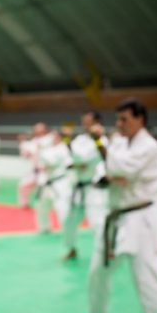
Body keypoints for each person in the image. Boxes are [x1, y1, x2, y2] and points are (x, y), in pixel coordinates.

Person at [83, 98, 157, 313]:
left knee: (146, 275)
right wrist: (109, 175)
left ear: (140, 119)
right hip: (116, 216)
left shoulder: (149, 146)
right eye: (118, 119)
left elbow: (121, 168)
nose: (120, 124)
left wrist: (100, 145)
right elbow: (106, 171)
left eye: (125, 119)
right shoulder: (120, 142)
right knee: (98, 271)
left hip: (141, 217)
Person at [62, 111, 108, 260]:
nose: (84, 124)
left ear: (97, 123)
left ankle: (104, 250)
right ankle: (71, 248)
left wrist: (76, 159)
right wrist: (75, 160)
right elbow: (70, 159)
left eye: (87, 121)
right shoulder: (80, 139)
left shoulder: (102, 141)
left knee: (97, 221)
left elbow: (84, 158)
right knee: (69, 220)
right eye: (83, 121)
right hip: (78, 186)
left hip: (93, 188)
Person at [35, 130, 72, 235]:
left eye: (55, 136)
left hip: (60, 182)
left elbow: (51, 162)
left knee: (62, 207)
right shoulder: (50, 149)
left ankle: (67, 230)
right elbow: (42, 165)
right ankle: (44, 227)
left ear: (60, 137)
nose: (52, 139)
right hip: (47, 181)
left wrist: (40, 150)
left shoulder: (63, 149)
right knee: (41, 206)